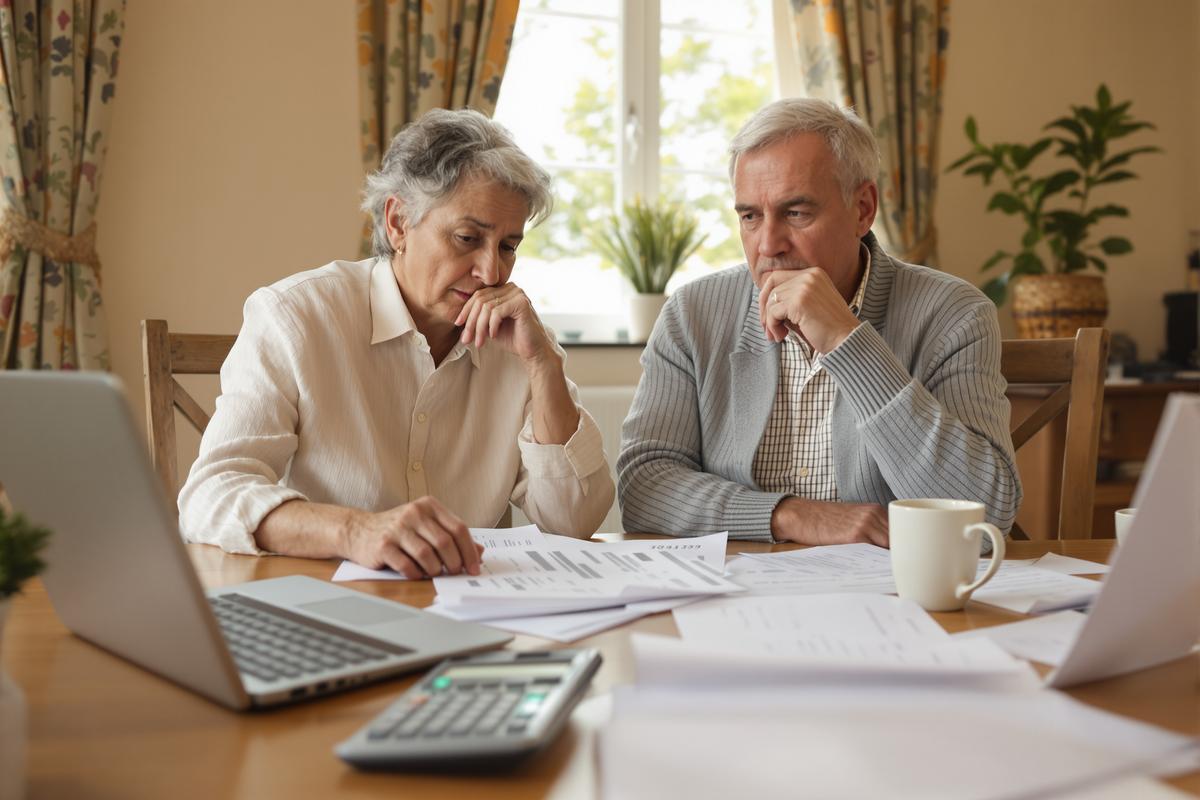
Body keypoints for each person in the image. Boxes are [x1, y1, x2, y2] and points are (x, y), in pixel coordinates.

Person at [179, 109, 614, 577]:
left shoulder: (522, 341)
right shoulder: (294, 316)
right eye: (468, 237)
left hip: (476, 619)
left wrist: (543, 365)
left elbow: (573, 522)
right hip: (327, 605)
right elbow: (213, 495)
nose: (492, 272)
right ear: (398, 223)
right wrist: (354, 531)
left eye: (508, 246)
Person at [617, 98, 1020, 546]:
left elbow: (980, 522)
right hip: (735, 596)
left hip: (888, 598)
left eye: (796, 213)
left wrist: (850, 344)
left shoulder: (955, 313)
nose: (768, 244)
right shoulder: (692, 313)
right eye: (750, 216)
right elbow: (644, 487)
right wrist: (791, 516)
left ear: (863, 209)